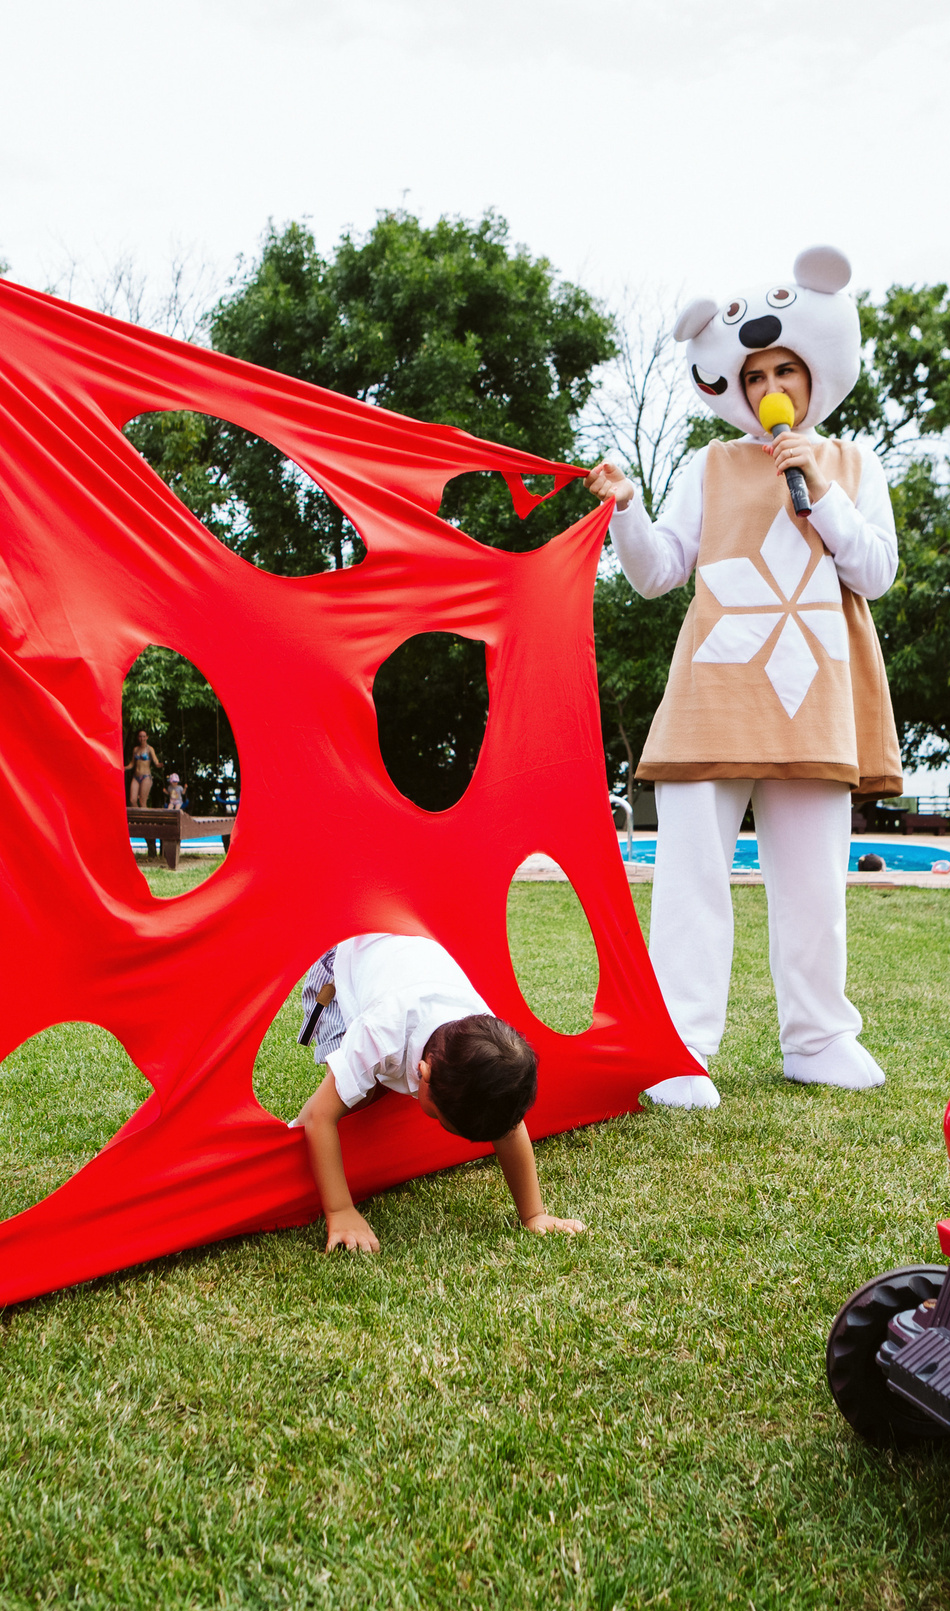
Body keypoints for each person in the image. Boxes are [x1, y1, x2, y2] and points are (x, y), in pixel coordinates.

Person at [584, 245, 902, 1110]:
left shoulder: (855, 464)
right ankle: (679, 1046)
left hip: (815, 696)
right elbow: (659, 571)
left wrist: (819, 488)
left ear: (813, 374)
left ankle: (819, 1038)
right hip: (714, 694)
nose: (769, 387)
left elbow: (875, 572)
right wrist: (626, 511)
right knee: (690, 882)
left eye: (783, 370)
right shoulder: (709, 465)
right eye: (754, 374)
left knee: (814, 885)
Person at [292, 933, 583, 1252]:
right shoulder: (379, 1034)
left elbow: (508, 1126)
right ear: (424, 1073)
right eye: (442, 1120)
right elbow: (319, 1117)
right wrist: (340, 1211)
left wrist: (534, 1215)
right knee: (358, 1097)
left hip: (406, 959)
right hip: (340, 970)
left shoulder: (484, 1039)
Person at [127, 730, 156, 808]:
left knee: (142, 801)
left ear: (147, 737)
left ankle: (145, 816)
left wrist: (158, 764)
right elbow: (132, 764)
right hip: (136, 776)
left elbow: (155, 760)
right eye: (140, 736)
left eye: (143, 736)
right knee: (132, 800)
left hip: (146, 776)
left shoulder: (150, 749)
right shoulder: (135, 749)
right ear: (138, 738)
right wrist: (123, 768)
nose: (142, 738)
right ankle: (139, 815)